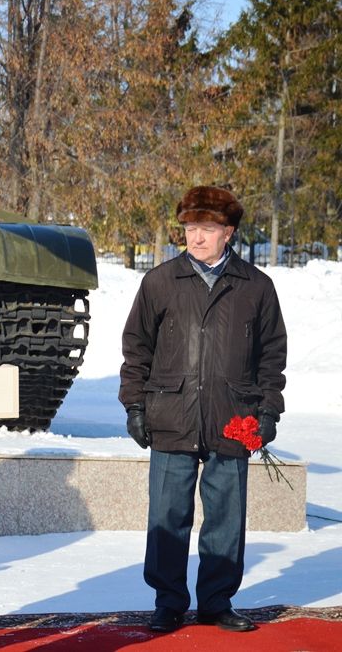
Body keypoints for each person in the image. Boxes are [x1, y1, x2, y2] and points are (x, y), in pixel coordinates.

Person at [119, 185, 287, 634]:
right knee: (167, 516)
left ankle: (216, 601)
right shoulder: (159, 282)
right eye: (191, 228)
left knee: (226, 520)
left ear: (228, 232)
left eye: (207, 229)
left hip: (234, 417)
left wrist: (268, 411)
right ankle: (168, 602)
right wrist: (135, 404)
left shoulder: (256, 287)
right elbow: (136, 347)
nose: (196, 237)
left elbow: (272, 355)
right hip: (172, 414)